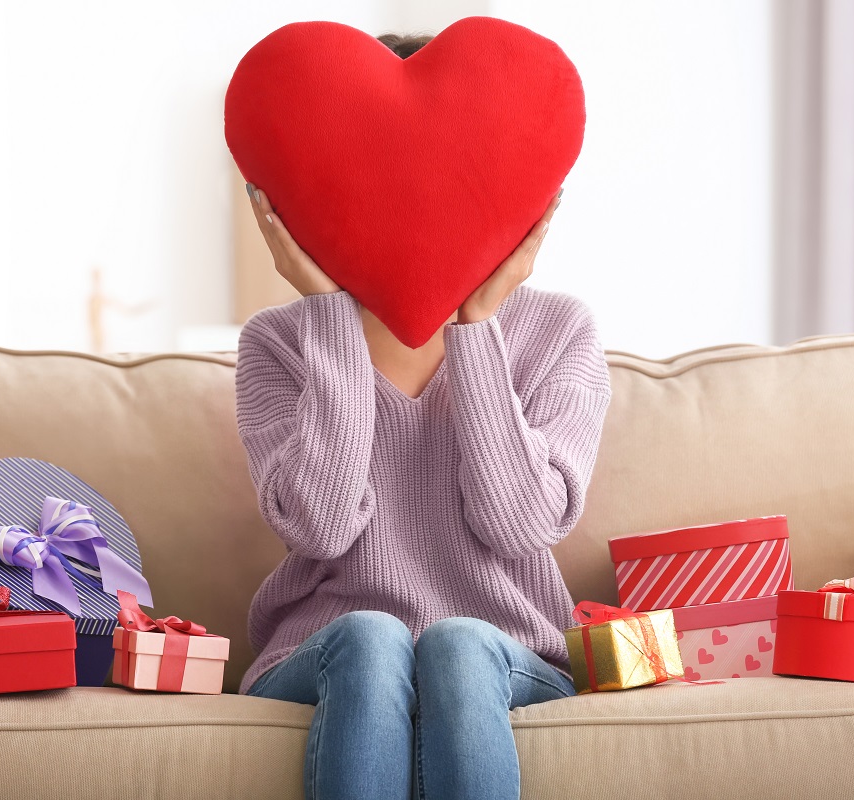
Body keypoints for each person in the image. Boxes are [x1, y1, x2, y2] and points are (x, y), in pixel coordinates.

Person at [234, 31, 611, 800]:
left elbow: (522, 524)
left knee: (460, 644)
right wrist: (331, 318)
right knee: (373, 636)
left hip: (505, 657)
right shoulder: (277, 343)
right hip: (323, 655)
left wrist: (476, 327)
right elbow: (320, 526)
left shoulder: (560, 331)